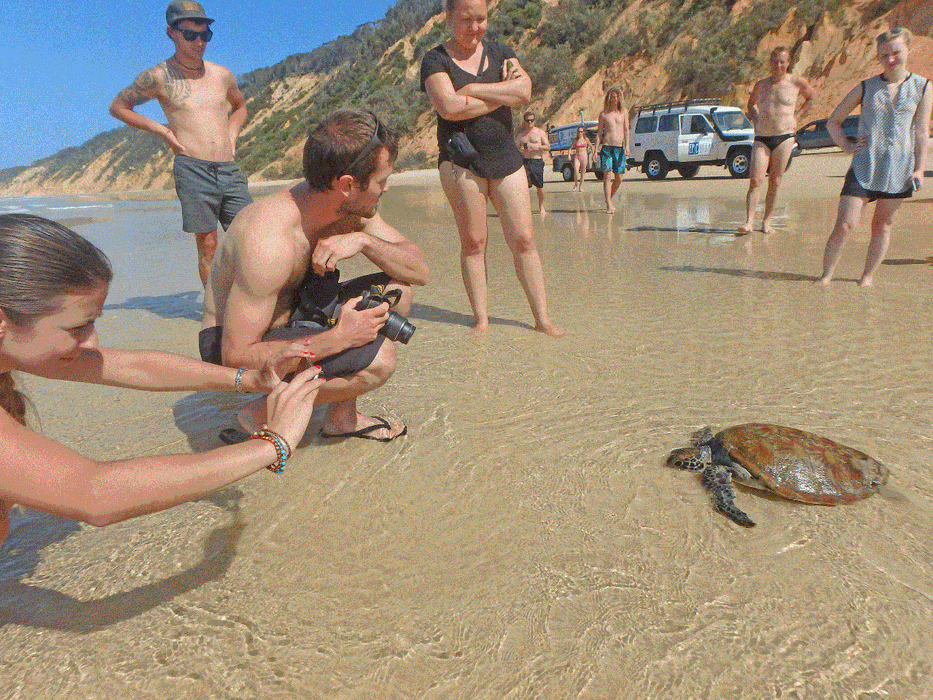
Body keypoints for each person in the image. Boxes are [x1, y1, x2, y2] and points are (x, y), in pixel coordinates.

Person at [0, 213, 325, 546]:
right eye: (77, 327)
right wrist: (273, 445)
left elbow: (134, 367)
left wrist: (251, 379)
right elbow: (94, 494)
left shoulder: (13, 349)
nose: (92, 341)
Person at [201, 108, 428, 443]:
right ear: (348, 185)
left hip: (295, 315)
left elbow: (418, 270)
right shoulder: (269, 243)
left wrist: (364, 240)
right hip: (238, 341)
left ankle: (341, 418)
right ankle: (260, 412)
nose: (386, 189)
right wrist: (337, 339)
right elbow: (234, 357)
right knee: (380, 360)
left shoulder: (347, 207)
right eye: (381, 181)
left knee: (398, 291)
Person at [420, 0, 565, 336]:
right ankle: (481, 319)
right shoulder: (435, 59)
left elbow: (525, 90)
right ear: (449, 18)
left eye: (481, 19)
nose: (474, 28)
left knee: (524, 240)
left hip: (506, 158)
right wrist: (504, 93)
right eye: (466, 20)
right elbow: (449, 109)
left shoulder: (502, 53)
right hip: (461, 160)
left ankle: (542, 319)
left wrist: (472, 90)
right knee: (473, 242)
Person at [109, 1, 251, 286]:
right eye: (190, 35)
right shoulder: (158, 76)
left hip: (229, 168)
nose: (199, 42)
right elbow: (119, 107)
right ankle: (215, 313)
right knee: (208, 243)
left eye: (205, 35)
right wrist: (163, 131)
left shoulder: (222, 74)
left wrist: (232, 135)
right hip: (193, 167)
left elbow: (240, 107)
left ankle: (249, 300)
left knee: (249, 235)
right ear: (171, 32)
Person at [817, 27, 931, 287]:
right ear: (879, 57)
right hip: (863, 165)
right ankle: (825, 277)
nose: (890, 59)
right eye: (884, 55)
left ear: (908, 50)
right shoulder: (866, 86)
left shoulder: (923, 86)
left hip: (900, 169)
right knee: (845, 225)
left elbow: (922, 131)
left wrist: (920, 168)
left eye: (896, 53)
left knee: (882, 225)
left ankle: (866, 278)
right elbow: (834, 121)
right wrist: (846, 146)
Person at [739, 46, 815, 234]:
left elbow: (811, 98)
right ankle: (749, 222)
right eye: (774, 62)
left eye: (782, 62)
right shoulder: (761, 85)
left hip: (785, 136)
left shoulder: (796, 82)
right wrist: (755, 118)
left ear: (788, 63)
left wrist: (797, 116)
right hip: (762, 137)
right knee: (756, 180)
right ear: (770, 63)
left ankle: (766, 222)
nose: (778, 65)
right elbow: (751, 104)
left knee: (775, 180)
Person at [596, 88, 630, 213]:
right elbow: (599, 133)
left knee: (619, 178)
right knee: (607, 176)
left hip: (619, 148)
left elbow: (626, 130)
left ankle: (608, 198)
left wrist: (627, 146)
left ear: (619, 98)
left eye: (616, 97)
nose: (614, 99)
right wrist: (595, 150)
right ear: (608, 98)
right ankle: (609, 204)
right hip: (607, 147)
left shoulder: (624, 112)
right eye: (611, 97)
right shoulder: (603, 114)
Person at [515, 111, 550, 214]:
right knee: (523, 186)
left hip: (536, 161)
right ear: (524, 122)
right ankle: (525, 208)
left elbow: (548, 147)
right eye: (527, 120)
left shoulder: (540, 133)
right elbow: (515, 149)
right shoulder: (521, 135)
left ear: (534, 121)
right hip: (525, 162)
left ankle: (541, 206)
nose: (529, 122)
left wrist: (536, 147)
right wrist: (521, 149)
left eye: (531, 120)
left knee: (539, 187)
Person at [570, 126, 592, 192]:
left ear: (583, 132)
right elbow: (570, 148)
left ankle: (581, 186)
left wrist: (593, 154)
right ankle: (576, 184)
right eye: (579, 131)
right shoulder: (575, 140)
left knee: (583, 172)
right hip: (577, 156)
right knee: (576, 171)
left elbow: (591, 146)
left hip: (584, 156)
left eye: (581, 131)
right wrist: (569, 155)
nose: (580, 133)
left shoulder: (586, 139)